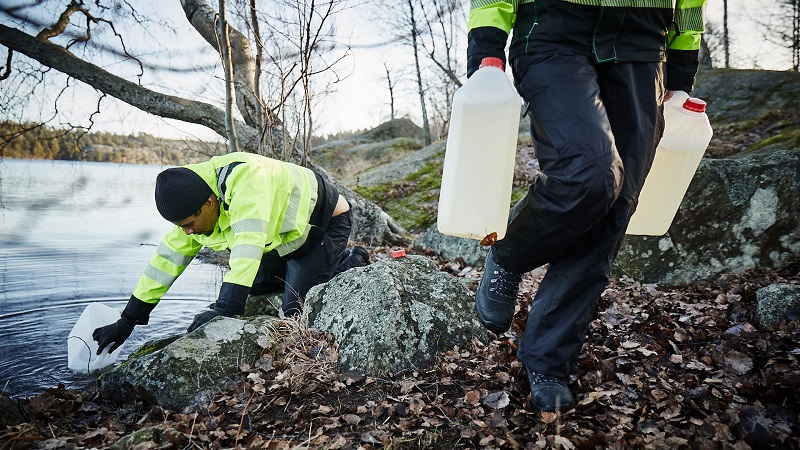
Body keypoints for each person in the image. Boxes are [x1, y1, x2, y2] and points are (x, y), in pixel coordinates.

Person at [468, 0, 705, 412]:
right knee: (589, 175)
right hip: (553, 27)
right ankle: (509, 253)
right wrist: (487, 48)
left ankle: (547, 361)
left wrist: (682, 70)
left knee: (618, 206)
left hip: (643, 42)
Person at [93, 152, 369, 355]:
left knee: (295, 311)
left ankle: (351, 261)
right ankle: (316, 267)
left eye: (189, 225)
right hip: (283, 238)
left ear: (210, 202)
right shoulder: (192, 195)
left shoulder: (246, 181)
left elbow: (248, 243)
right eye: (181, 227)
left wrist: (224, 309)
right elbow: (166, 261)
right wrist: (127, 320)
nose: (187, 232)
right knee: (257, 288)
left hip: (322, 223)